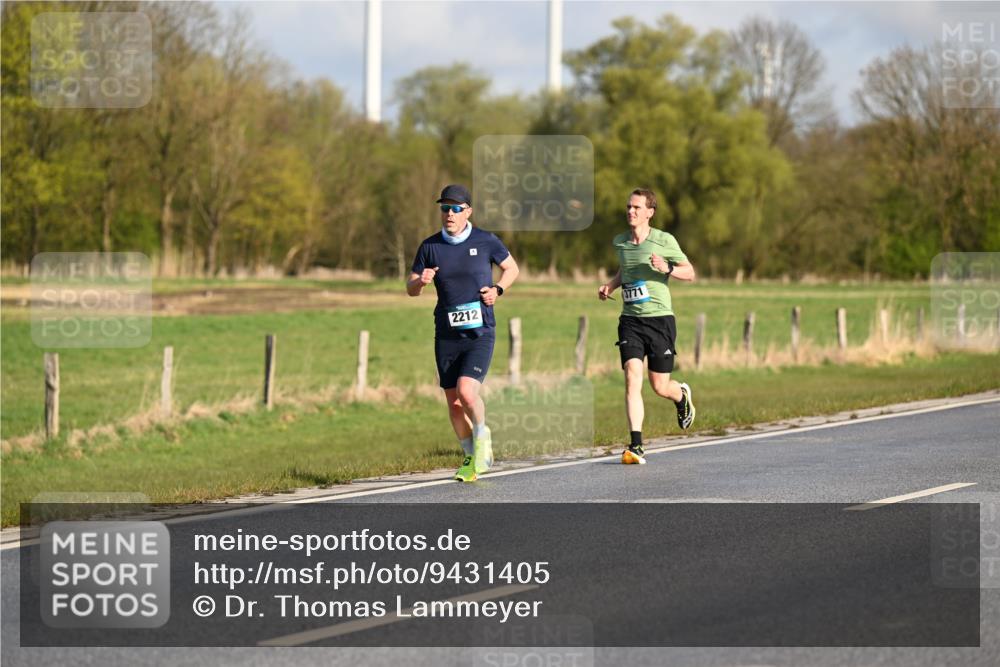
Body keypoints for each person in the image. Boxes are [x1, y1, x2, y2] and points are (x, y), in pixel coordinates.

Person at [407, 184, 520, 482]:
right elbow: (410, 289)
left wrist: (498, 289)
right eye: (445, 208)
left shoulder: (486, 240)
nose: (449, 214)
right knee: (454, 404)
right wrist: (421, 281)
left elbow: (512, 269)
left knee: (467, 392)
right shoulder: (430, 247)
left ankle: (483, 439)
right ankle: (471, 458)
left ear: (468, 211)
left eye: (456, 208)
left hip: (480, 332)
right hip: (447, 334)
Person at [598, 188, 696, 465]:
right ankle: (636, 445)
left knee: (659, 386)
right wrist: (611, 285)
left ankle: (681, 396)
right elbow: (626, 270)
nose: (631, 211)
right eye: (629, 207)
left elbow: (690, 272)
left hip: (660, 319)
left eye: (637, 207)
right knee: (632, 377)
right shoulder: (621, 242)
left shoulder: (664, 240)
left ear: (650, 212)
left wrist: (667, 268)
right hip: (630, 320)